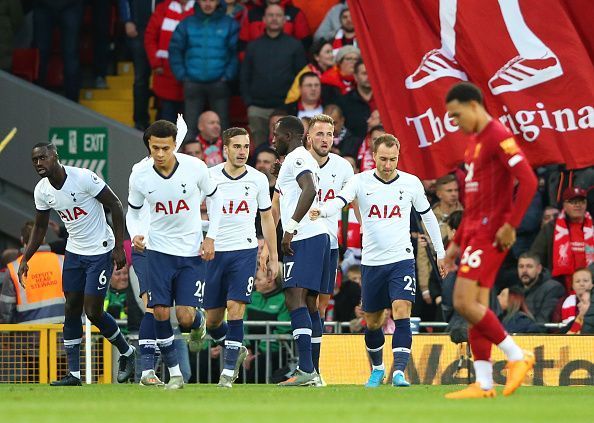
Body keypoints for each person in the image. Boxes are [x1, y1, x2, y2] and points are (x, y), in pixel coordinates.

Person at [310, 134, 447, 388]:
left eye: (393, 159)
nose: (387, 165)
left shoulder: (410, 183)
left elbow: (428, 217)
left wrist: (440, 252)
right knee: (373, 321)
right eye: (383, 159)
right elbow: (340, 201)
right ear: (373, 156)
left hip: (402, 259)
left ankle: (398, 372)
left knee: (402, 310)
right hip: (372, 263)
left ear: (398, 156)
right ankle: (377, 368)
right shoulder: (360, 181)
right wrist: (322, 210)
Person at [442, 82, 538, 399]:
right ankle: (484, 384)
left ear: (472, 105)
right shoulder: (474, 143)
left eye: (456, 115)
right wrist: (456, 244)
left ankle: (516, 355)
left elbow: (528, 180)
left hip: (491, 232)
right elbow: (474, 203)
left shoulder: (498, 135)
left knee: (462, 302)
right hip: (475, 230)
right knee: (477, 307)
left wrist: (511, 225)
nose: (454, 123)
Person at [21, 143, 136, 386]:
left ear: (55, 156)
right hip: (75, 252)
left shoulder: (83, 177)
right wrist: (25, 258)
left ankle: (127, 353)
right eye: (35, 160)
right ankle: (74, 374)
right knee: (71, 307)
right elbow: (41, 227)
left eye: (43, 157)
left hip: (100, 249)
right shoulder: (42, 190)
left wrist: (118, 246)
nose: (39, 163)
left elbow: (115, 204)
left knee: (93, 311)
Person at [127, 119, 222, 390]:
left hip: (190, 252)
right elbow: (133, 211)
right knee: (158, 311)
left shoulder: (195, 168)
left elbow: (215, 199)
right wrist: (136, 233)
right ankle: (175, 373)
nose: (159, 154)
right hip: (158, 251)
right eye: (154, 148)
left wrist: (211, 237)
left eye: (165, 148)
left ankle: (198, 319)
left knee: (184, 317)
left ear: (174, 146)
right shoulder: (140, 175)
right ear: (148, 146)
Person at [203, 127, 279, 387]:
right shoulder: (209, 176)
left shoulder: (257, 179)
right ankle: (235, 347)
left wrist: (273, 254)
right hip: (214, 253)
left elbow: (266, 218)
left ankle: (227, 373)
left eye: (245, 146)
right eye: (236, 146)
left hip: (244, 251)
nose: (242, 151)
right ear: (225, 149)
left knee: (236, 309)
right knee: (213, 321)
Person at [270, 115, 330, 386]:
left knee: (293, 297)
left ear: (289, 137)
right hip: (318, 238)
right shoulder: (297, 160)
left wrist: (290, 228)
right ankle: (313, 373)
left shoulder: (296, 158)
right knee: (308, 303)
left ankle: (306, 370)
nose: (273, 140)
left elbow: (310, 189)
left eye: (276, 136)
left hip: (304, 237)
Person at [306, 113, 355, 366]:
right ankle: (305, 364)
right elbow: (279, 201)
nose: (325, 139)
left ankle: (314, 366)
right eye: (320, 134)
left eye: (329, 134)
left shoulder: (343, 167)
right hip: (302, 241)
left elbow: (354, 201)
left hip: (330, 243)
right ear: (309, 136)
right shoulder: (296, 163)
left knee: (320, 305)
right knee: (301, 302)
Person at [168, 0, 239, 137]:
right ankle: (187, 157)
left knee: (222, 127)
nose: (207, 3)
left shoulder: (229, 24)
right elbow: (175, 50)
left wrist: (227, 76)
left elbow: (235, 53)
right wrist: (183, 75)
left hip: (219, 83)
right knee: (189, 127)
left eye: (212, 0)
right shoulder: (186, 23)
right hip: (192, 83)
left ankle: (224, 157)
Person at [240, 3, 307, 147]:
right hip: (258, 107)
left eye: (278, 15)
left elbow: (301, 77)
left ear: (284, 20)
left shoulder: (295, 45)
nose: (274, 19)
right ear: (264, 19)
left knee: (286, 147)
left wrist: (292, 104)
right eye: (270, 15)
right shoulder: (253, 46)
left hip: (285, 107)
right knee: (260, 147)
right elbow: (244, 75)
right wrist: (248, 101)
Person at [530, 186, 593, 291]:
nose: (578, 205)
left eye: (581, 201)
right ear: (564, 205)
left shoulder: (592, 228)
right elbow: (535, 257)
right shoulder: (551, 228)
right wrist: (548, 280)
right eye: (573, 202)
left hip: (590, 286)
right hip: (559, 287)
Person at [0, 221, 64, 324]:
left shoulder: (14, 268)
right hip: (62, 333)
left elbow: (6, 312)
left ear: (22, 240)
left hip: (29, 336)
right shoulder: (62, 261)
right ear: (43, 238)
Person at [144, 0, 195, 123]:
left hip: (192, 76)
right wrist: (155, 63)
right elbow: (150, 38)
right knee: (167, 119)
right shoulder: (163, 8)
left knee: (189, 120)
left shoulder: (198, 8)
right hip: (165, 74)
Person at [417, 174, 463, 305]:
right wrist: (425, 288)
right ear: (439, 193)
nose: (454, 194)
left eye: (456, 190)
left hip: (458, 277)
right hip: (435, 278)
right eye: (449, 191)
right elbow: (422, 256)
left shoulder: (466, 215)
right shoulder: (428, 219)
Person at [119, 0, 155, 130]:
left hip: (162, 26)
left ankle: (163, 116)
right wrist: (128, 20)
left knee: (165, 76)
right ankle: (140, 120)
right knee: (141, 77)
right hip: (139, 28)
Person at [517, 252, 565, 324]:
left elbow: (543, 322)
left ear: (539, 269)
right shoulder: (514, 290)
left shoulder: (553, 288)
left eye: (529, 266)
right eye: (521, 266)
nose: (524, 270)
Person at [285, 38, 335, 104]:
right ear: (317, 57)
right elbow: (291, 99)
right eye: (327, 52)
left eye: (332, 52)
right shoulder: (305, 73)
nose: (332, 55)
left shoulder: (336, 71)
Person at [338, 59, 375, 140]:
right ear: (355, 76)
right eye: (364, 73)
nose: (368, 77)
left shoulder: (383, 100)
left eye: (370, 73)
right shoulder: (344, 102)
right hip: (353, 150)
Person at [560, 268, 592, 334]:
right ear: (572, 285)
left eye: (585, 281)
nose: (582, 284)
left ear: (592, 284)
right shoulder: (562, 302)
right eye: (577, 281)